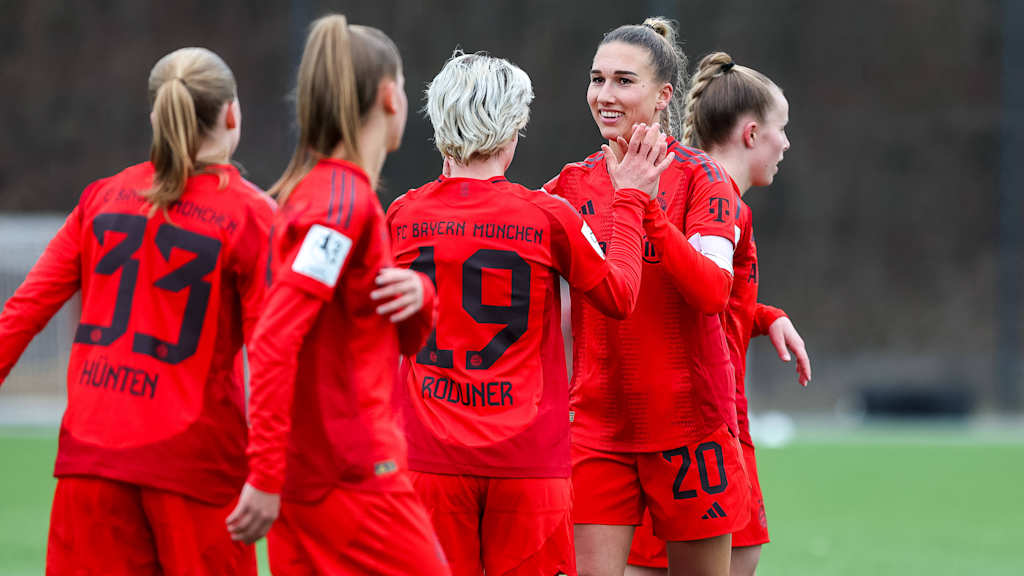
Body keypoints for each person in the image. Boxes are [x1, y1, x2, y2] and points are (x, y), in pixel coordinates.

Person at [387, 51, 670, 575]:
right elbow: (620, 295)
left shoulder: (403, 215)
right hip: (527, 464)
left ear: (439, 121)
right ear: (514, 129)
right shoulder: (549, 216)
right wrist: (630, 200)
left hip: (427, 458)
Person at [0, 47, 271, 575]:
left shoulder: (103, 197)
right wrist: (271, 470)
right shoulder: (253, 215)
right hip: (194, 466)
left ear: (155, 116)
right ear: (233, 114)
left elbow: (21, 315)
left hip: (91, 459)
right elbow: (273, 359)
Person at [224, 14, 450, 575]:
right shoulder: (340, 205)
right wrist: (266, 474)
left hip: (314, 479)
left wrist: (421, 295)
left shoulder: (319, 194)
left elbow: (383, 337)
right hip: (353, 478)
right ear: (389, 96)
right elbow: (276, 341)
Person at [543, 19, 754, 576]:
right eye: (596, 79)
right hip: (597, 429)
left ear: (663, 97)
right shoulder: (568, 186)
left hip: (690, 428)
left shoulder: (705, 179)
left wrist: (646, 208)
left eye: (622, 81)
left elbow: (713, 291)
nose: (604, 95)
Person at [625, 52, 812, 576]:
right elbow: (684, 295)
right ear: (751, 134)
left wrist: (764, 315)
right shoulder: (719, 201)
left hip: (700, 422)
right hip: (698, 426)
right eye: (783, 128)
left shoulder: (703, 194)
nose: (787, 143)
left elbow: (703, 298)